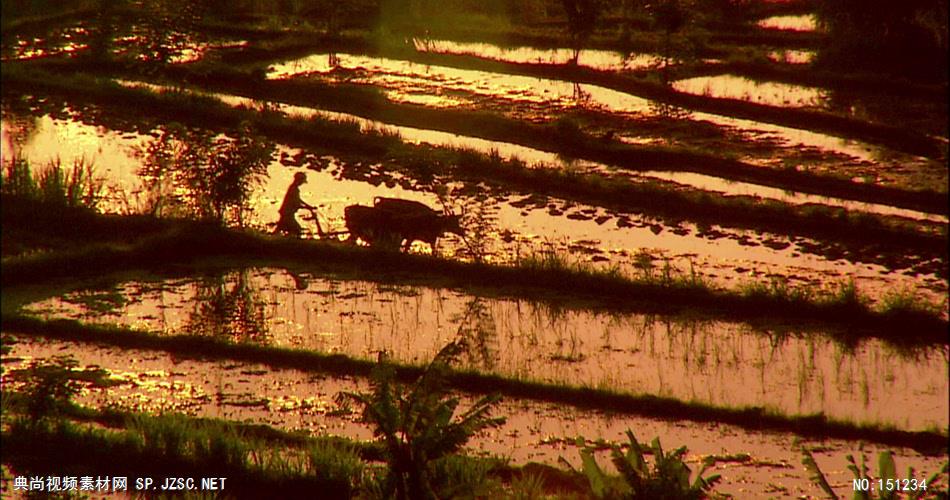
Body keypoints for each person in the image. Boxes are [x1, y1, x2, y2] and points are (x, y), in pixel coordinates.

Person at [274, 172, 314, 237]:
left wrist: (308, 206)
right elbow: (296, 202)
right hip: (287, 213)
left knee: (279, 229)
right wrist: (306, 207)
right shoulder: (294, 189)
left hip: (287, 213)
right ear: (299, 180)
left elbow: (298, 200)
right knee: (297, 230)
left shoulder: (293, 188)